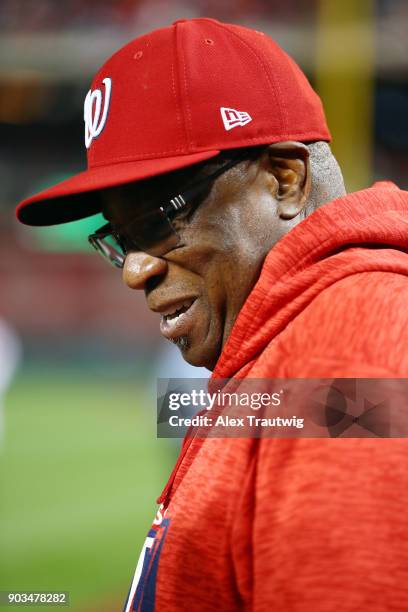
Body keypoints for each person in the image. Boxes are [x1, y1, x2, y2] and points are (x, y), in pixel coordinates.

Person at [16, 18, 408, 612]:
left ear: (284, 179)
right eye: (119, 237)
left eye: (158, 221)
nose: (133, 270)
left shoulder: (352, 342)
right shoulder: (294, 335)